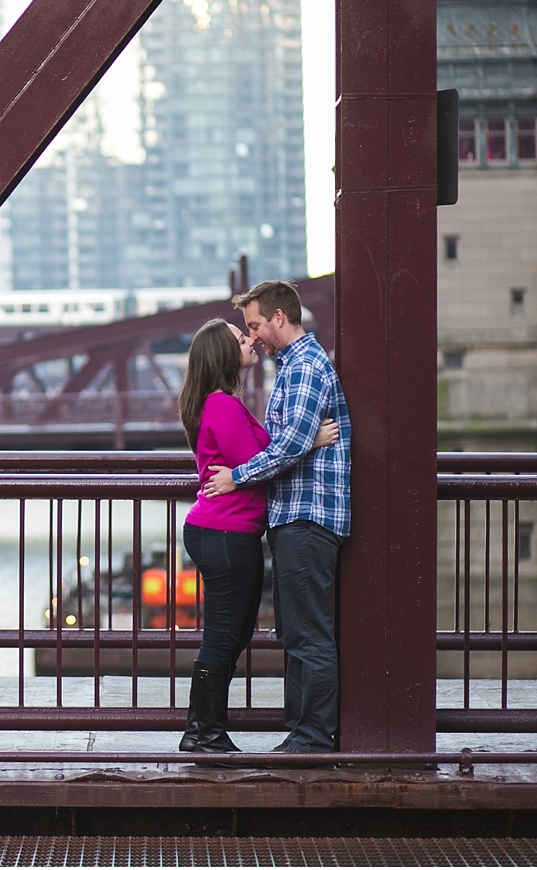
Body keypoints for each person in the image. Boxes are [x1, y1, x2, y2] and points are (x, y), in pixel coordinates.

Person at [177, 317, 338, 753]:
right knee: (223, 636)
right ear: (223, 354)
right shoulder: (223, 406)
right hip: (223, 533)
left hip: (230, 532)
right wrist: (311, 440)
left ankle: (206, 730)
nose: (249, 339)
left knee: (234, 634)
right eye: (239, 336)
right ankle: (202, 733)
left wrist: (297, 442)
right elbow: (262, 461)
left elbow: (255, 462)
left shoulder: (228, 403)